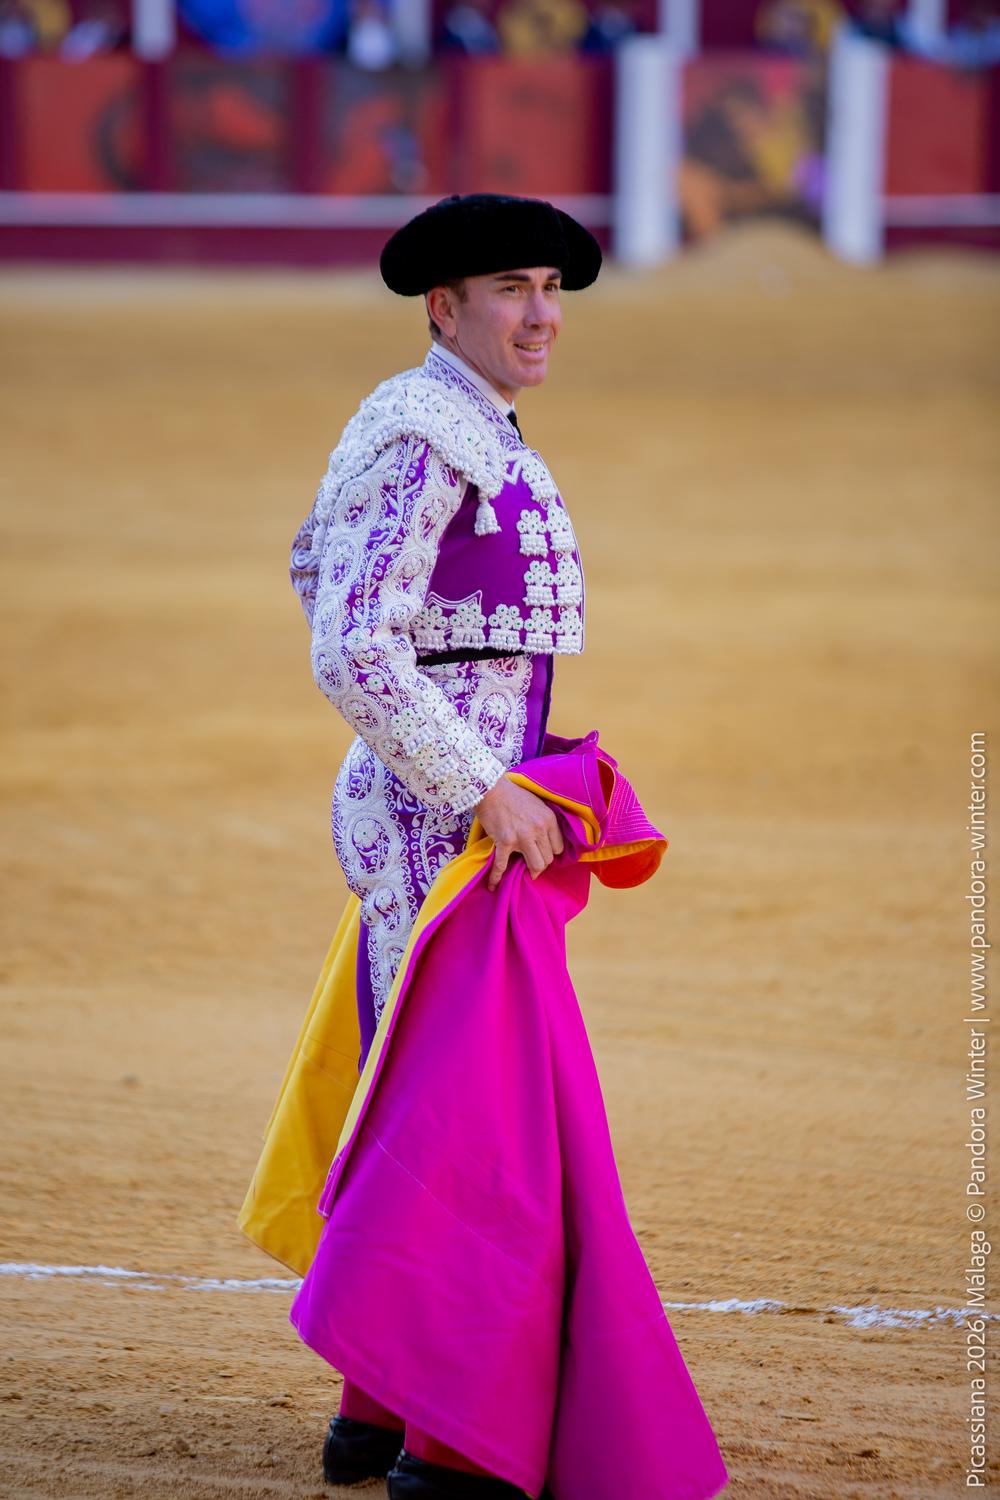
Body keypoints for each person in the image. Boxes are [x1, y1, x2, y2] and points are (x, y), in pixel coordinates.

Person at [288, 192, 596, 1496]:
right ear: (444, 306)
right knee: (464, 1124)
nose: (541, 313)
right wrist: (480, 784)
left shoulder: (450, 424)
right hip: (443, 823)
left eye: (550, 286)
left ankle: (377, 1408)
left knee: (422, 1101)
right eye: (512, 288)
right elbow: (349, 636)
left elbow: (314, 562)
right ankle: (440, 1435)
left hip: (446, 807)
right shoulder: (428, 434)